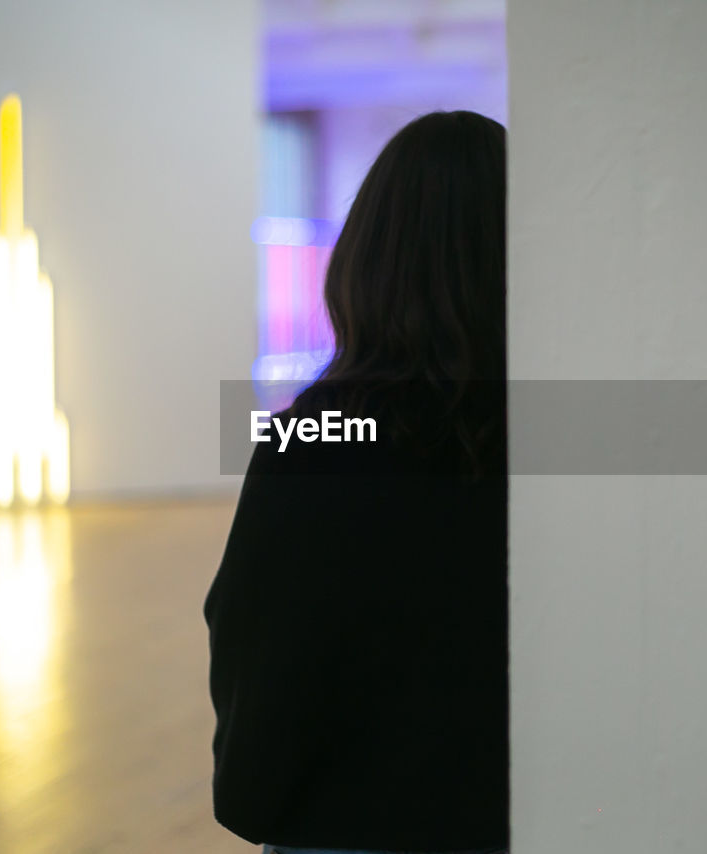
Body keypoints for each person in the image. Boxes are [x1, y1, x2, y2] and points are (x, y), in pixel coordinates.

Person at [203, 110, 509, 854]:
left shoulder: (316, 440)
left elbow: (257, 641)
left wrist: (253, 795)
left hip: (344, 826)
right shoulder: (548, 438)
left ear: (369, 258)